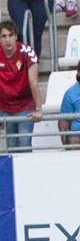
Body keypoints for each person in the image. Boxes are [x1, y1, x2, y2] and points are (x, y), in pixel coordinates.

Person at [0, 20, 43, 152]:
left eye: (10, 35)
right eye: (3, 36)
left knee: (24, 142)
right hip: (4, 107)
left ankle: (27, 172)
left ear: (16, 36)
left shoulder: (27, 52)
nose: (8, 40)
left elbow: (33, 81)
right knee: (12, 145)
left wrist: (38, 108)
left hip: (25, 106)